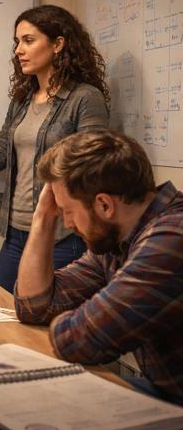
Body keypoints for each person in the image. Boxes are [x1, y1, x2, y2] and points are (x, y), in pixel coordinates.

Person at [0, 4, 110, 293]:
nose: (19, 50)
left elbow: (91, 170)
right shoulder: (22, 101)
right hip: (15, 234)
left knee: (42, 319)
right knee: (1, 311)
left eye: (28, 41)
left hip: (61, 236)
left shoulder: (85, 98)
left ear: (58, 44)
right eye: (17, 42)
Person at [15, 129, 183, 403]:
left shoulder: (171, 240)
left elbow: (79, 342)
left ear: (104, 205)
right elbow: (34, 307)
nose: (67, 223)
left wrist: (78, 321)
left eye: (67, 211)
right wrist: (43, 217)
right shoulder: (116, 240)